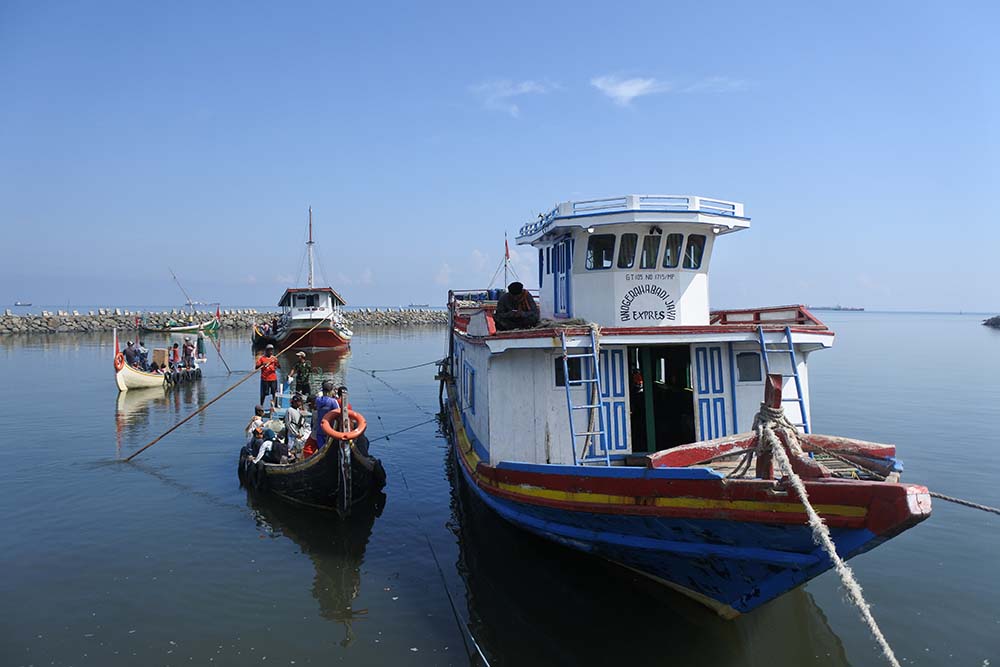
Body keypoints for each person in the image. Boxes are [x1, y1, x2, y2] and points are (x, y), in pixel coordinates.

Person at [312, 380, 341, 451]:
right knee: (329, 449)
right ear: (329, 392)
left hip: (320, 429)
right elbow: (339, 413)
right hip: (329, 430)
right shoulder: (333, 401)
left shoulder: (318, 400)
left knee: (321, 449)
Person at [256, 344, 281, 409]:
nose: (270, 351)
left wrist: (276, 362)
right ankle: (261, 405)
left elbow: (279, 367)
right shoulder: (262, 358)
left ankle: (275, 405)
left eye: (271, 350)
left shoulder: (274, 358)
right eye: (269, 350)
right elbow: (256, 367)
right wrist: (262, 364)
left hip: (273, 378)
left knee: (274, 392)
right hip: (265, 379)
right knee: (263, 393)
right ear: (266, 351)